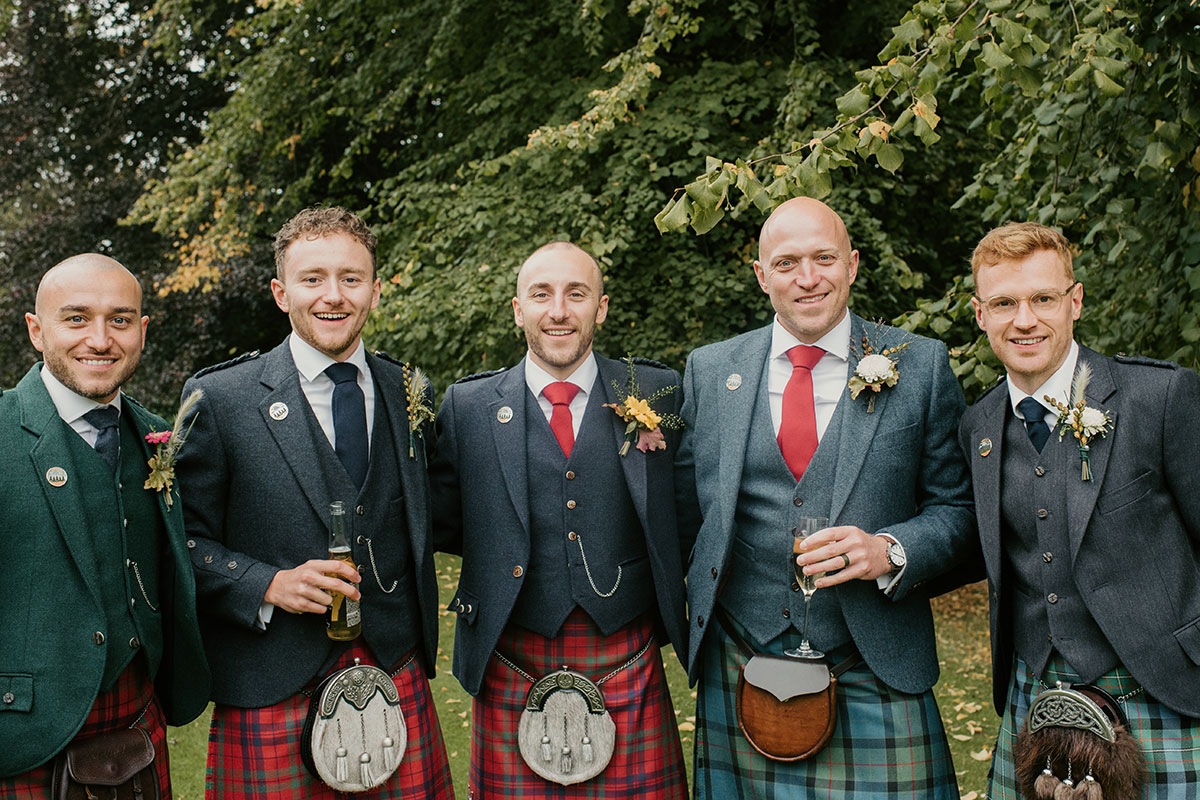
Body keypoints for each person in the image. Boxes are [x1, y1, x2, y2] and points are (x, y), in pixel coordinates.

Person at [677, 197, 975, 797]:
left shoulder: (919, 366)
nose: (807, 278)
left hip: (874, 666)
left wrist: (890, 550)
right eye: (787, 263)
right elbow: (685, 512)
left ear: (853, 264)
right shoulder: (710, 371)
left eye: (824, 258)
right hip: (741, 658)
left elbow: (963, 511)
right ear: (762, 276)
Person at [174, 207, 452, 798]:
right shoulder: (220, 398)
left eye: (351, 278)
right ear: (281, 292)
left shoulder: (412, 392)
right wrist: (265, 584)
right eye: (312, 279)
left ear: (375, 291)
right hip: (272, 685)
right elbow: (180, 543)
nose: (333, 296)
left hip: (392, 672)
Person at [430, 241, 689, 798]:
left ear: (601, 307)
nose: (559, 310)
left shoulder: (655, 391)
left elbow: (688, 508)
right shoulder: (468, 406)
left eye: (577, 293)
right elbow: (444, 520)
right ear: (518, 309)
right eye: (541, 294)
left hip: (626, 652)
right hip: (512, 651)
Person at [959, 221, 1200, 798]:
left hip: (1162, 686)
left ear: (1076, 301)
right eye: (1004, 303)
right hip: (1036, 693)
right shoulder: (979, 425)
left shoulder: (1159, 398)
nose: (1024, 319)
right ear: (979, 314)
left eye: (1043, 298)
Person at [0, 255, 209, 797]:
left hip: (137, 720)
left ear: (141, 331)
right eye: (76, 318)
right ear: (36, 330)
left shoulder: (158, 435)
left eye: (120, 319)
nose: (100, 338)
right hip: (22, 731)